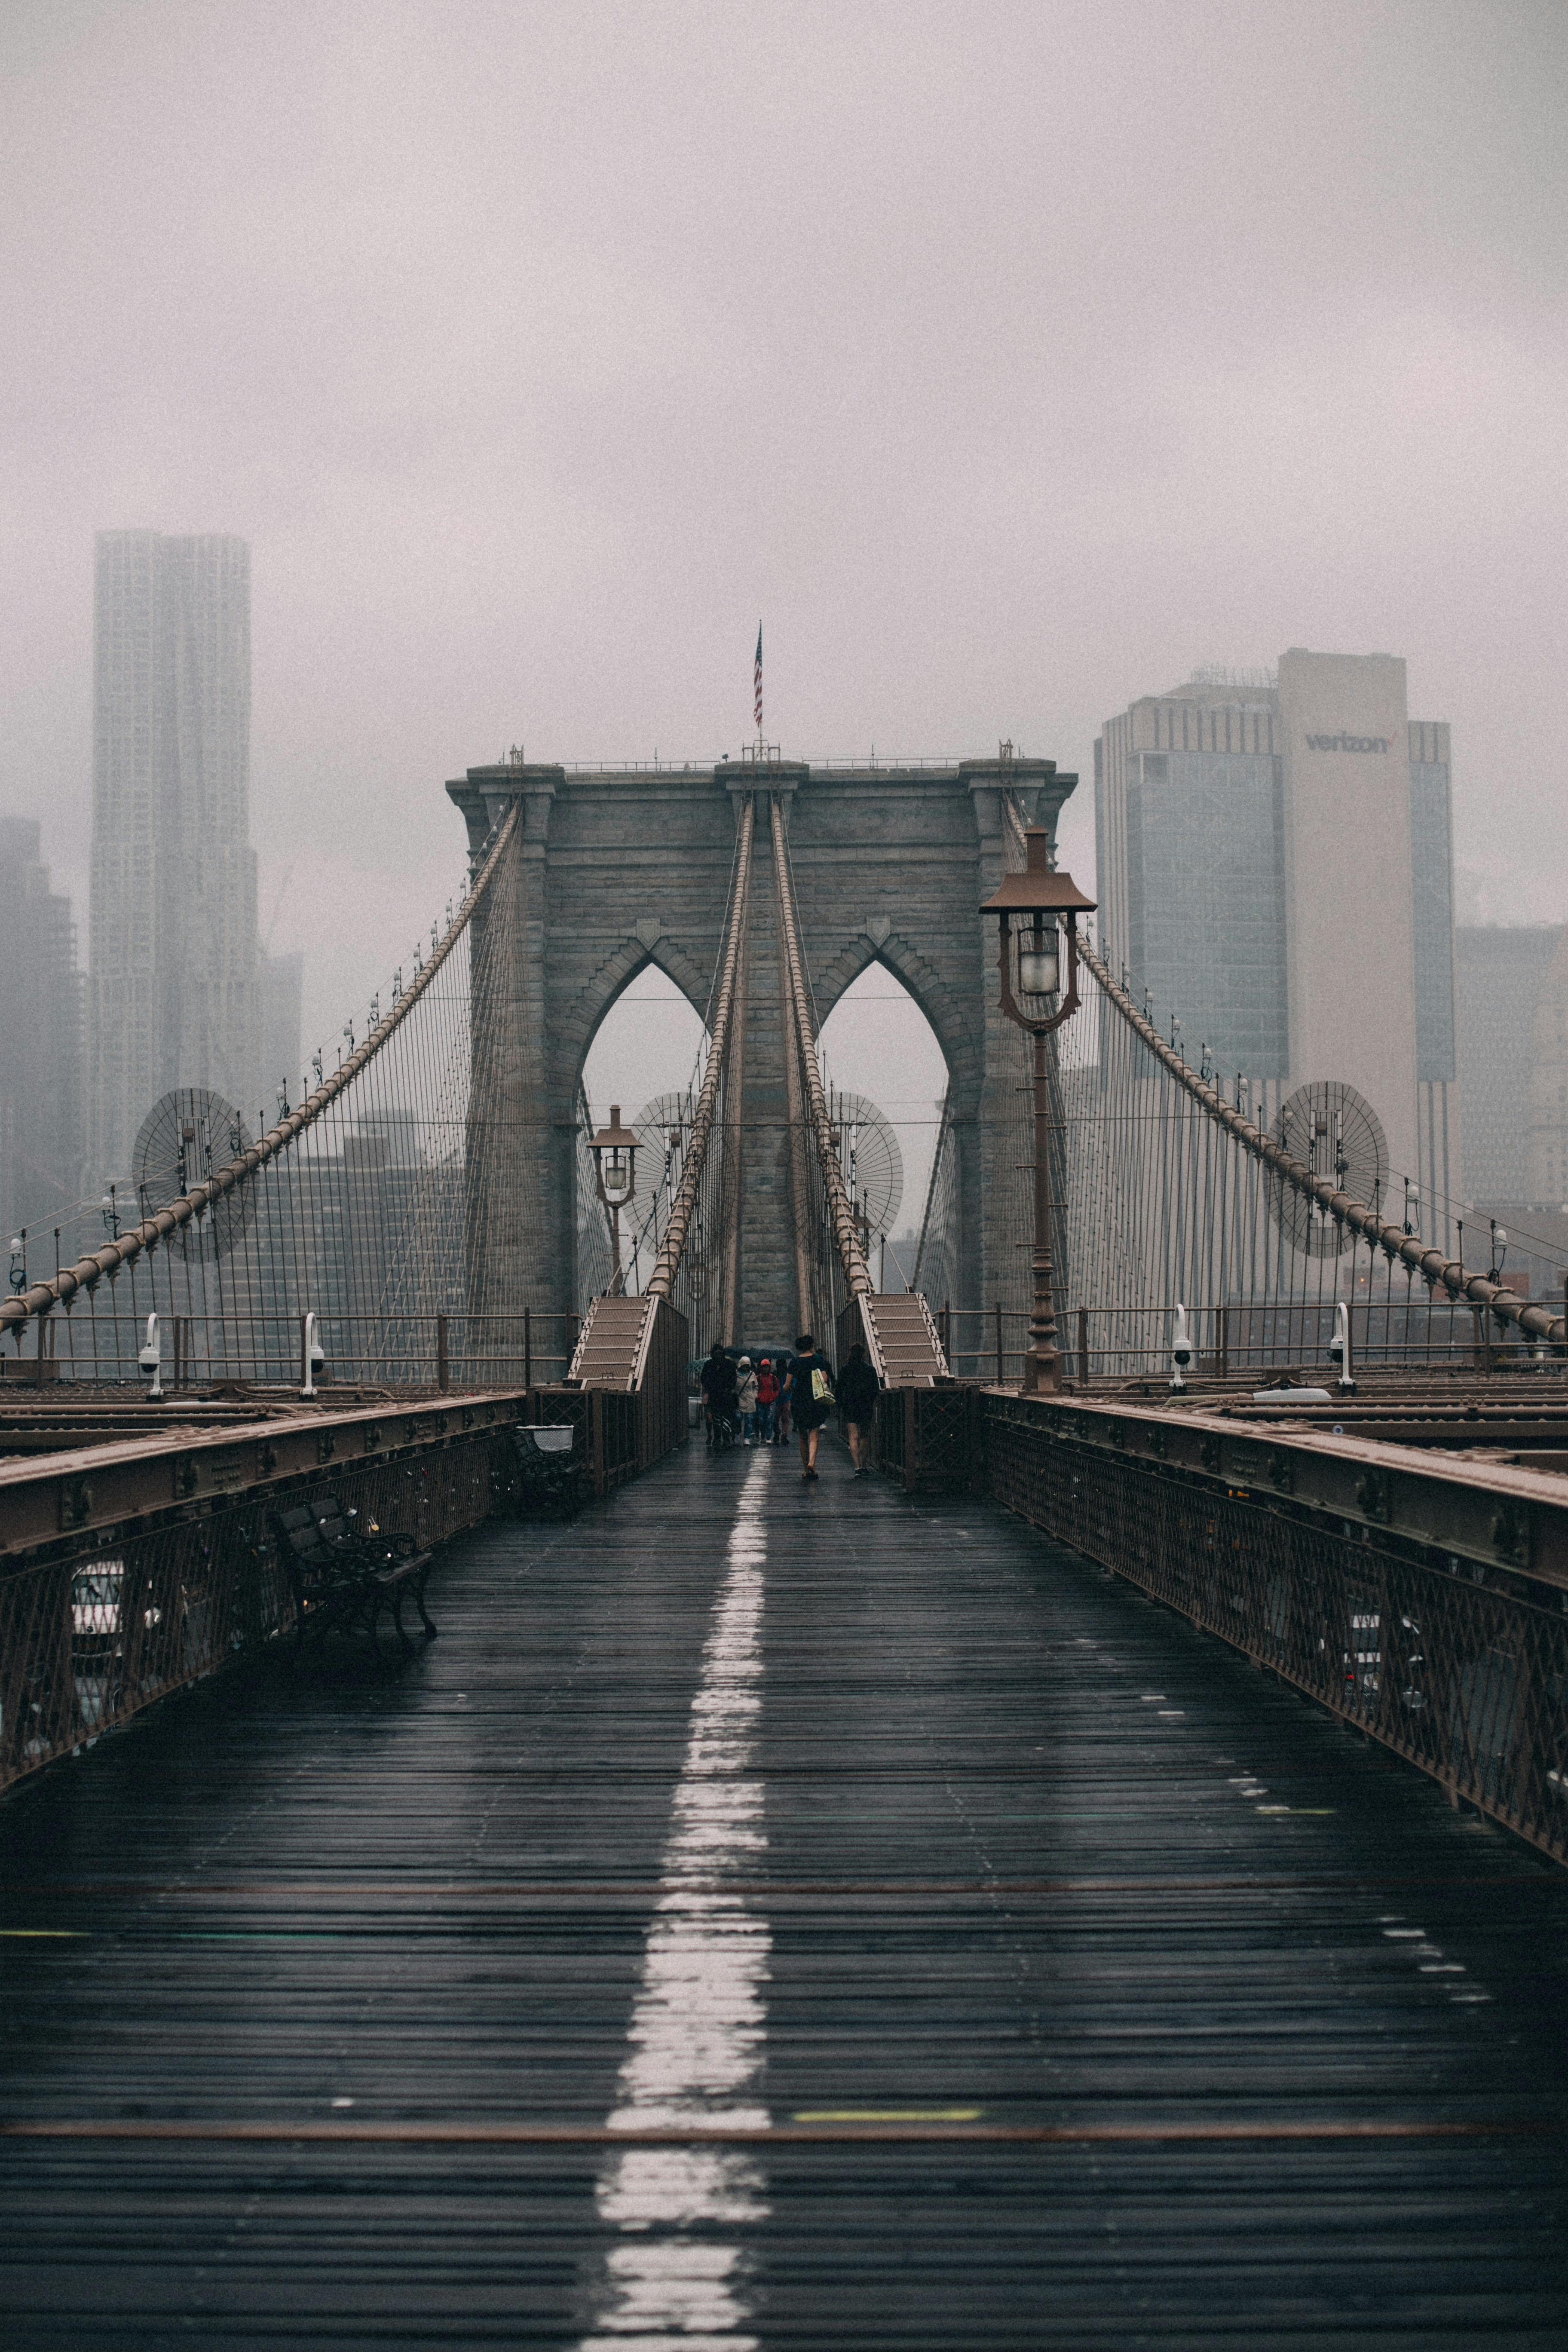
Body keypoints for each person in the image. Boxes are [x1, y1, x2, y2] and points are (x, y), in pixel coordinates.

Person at [785, 1331, 835, 1481]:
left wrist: (790, 1388)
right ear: (812, 1346)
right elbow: (825, 1378)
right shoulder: (818, 1359)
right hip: (815, 1399)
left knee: (802, 1436)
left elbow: (787, 1386)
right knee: (814, 1433)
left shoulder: (794, 1362)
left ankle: (806, 1469)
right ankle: (812, 1463)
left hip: (799, 1400)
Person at [838, 1338, 881, 1473]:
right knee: (864, 1436)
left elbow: (839, 1390)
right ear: (863, 1354)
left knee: (853, 1436)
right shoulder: (870, 1370)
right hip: (865, 1405)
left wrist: (840, 1405)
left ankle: (857, 1467)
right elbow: (876, 1390)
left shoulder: (845, 1370)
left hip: (850, 1405)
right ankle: (863, 1465)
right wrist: (870, 1401)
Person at [700, 1342, 737, 1449]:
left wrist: (728, 1388)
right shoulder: (710, 1365)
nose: (718, 1356)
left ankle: (725, 1438)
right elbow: (704, 1378)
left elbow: (734, 1378)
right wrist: (710, 1387)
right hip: (715, 1395)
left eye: (720, 1353)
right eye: (717, 1353)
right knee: (717, 1418)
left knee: (725, 1418)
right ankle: (717, 1438)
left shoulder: (728, 1364)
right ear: (713, 1354)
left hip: (725, 1395)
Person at [755, 1356, 779, 1445]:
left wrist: (773, 1396)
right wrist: (758, 1396)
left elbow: (777, 1389)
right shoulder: (758, 1378)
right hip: (761, 1402)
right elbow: (755, 1388)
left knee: (770, 1419)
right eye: (764, 1367)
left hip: (771, 1402)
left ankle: (768, 1437)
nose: (765, 1369)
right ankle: (763, 1436)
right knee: (761, 1420)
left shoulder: (773, 1378)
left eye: (767, 1367)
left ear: (769, 1368)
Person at [736, 1354, 759, 1444]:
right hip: (740, 1399)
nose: (746, 1368)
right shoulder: (736, 1374)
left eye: (747, 1366)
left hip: (750, 1400)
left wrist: (754, 1395)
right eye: (744, 1366)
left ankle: (747, 1438)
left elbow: (756, 1386)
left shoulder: (752, 1374)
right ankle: (738, 1433)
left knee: (749, 1420)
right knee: (738, 1418)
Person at [773, 1351, 793, 1445]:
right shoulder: (774, 1375)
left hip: (785, 1399)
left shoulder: (787, 1375)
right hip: (777, 1399)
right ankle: (778, 1432)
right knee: (776, 1419)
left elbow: (793, 1384)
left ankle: (784, 1434)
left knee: (784, 1418)